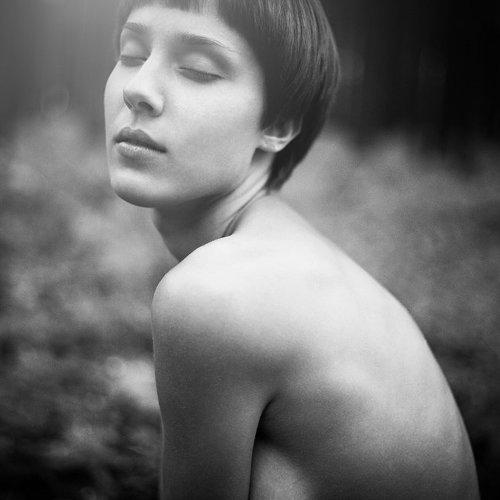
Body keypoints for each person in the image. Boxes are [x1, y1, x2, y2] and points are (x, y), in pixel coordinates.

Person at [104, 0, 479, 498]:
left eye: (197, 69)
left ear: (278, 123)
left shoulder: (218, 295)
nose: (137, 88)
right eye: (132, 55)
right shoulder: (300, 263)